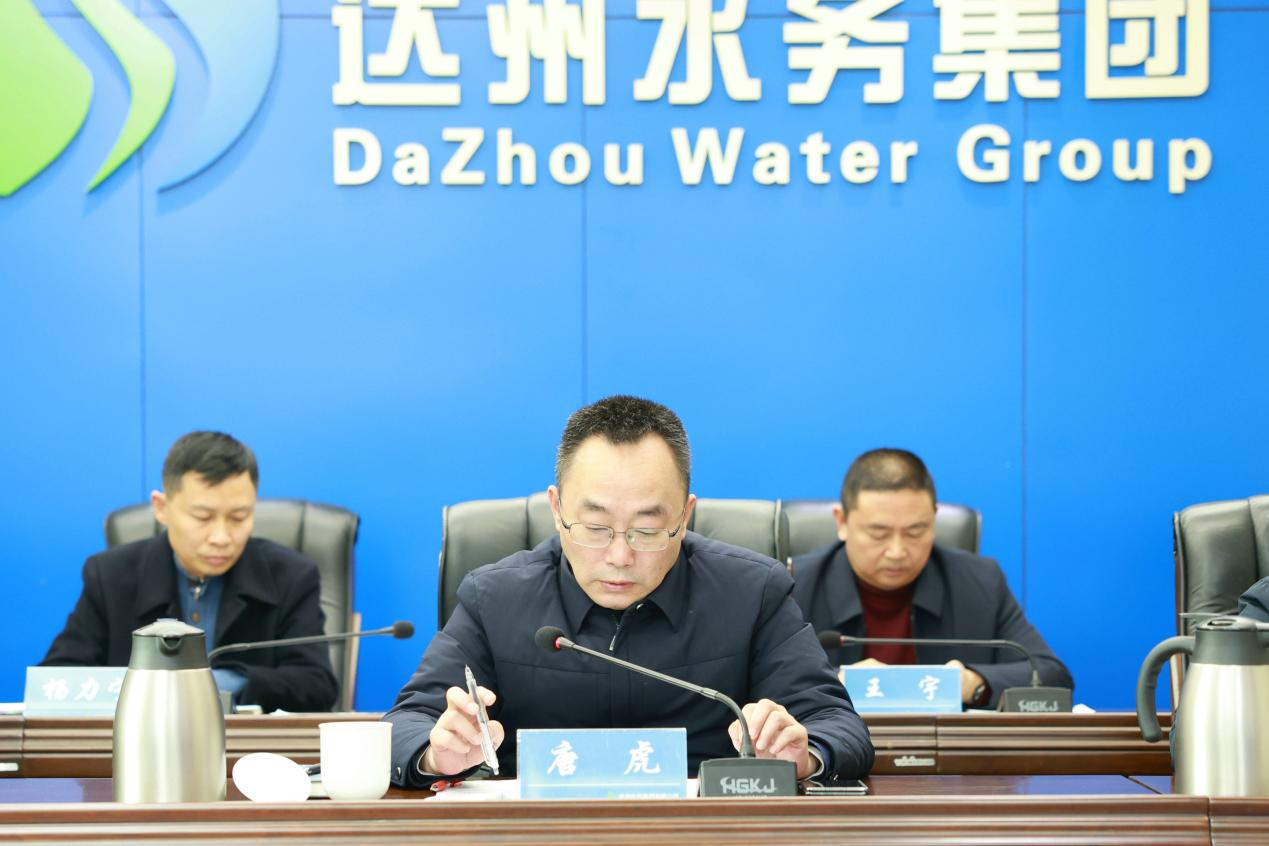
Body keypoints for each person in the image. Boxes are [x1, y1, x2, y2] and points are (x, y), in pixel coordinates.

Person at [385, 396, 873, 787]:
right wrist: (436, 753)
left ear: (685, 516)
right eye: (595, 527)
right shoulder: (495, 598)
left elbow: (838, 724)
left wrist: (805, 754)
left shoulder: (751, 593)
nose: (619, 556)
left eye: (647, 530)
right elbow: (405, 725)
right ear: (557, 510)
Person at [42, 431, 338, 713]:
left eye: (239, 517)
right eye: (203, 517)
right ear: (162, 508)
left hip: (245, 746)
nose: (221, 537)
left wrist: (227, 684)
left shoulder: (291, 577)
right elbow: (57, 680)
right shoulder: (109, 576)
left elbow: (317, 684)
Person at [791, 448, 1072, 708]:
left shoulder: (981, 583)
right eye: (879, 533)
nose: (897, 551)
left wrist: (974, 683)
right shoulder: (793, 586)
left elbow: (1051, 675)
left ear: (934, 520)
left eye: (915, 532)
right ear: (842, 522)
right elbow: (766, 685)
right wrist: (836, 684)